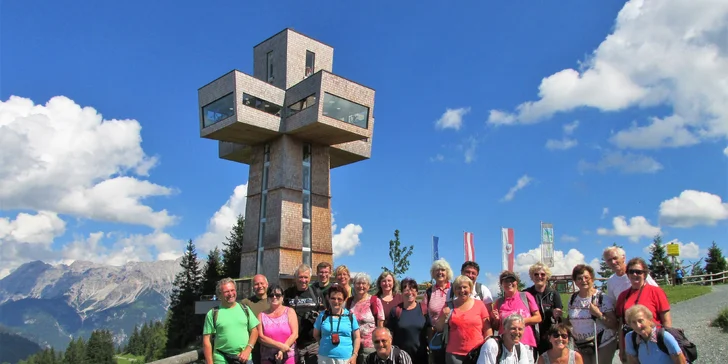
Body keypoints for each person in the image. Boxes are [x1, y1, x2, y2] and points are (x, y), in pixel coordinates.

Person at [615, 258, 671, 364]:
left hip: (654, 341)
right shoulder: (623, 296)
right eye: (631, 271)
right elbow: (621, 325)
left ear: (645, 274)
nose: (635, 274)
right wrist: (622, 349)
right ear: (627, 274)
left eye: (638, 272)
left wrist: (666, 344)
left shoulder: (656, 292)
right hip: (632, 344)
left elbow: (667, 322)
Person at [565, 265, 617, 364]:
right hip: (581, 343)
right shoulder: (572, 299)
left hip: (602, 342)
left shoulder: (602, 298)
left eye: (586, 277)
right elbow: (570, 320)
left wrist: (598, 314)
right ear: (575, 282)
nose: (583, 280)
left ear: (592, 279)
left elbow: (614, 324)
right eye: (579, 278)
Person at [436, 275, 492, 364]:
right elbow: (438, 327)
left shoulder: (480, 305)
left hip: (477, 353)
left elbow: (487, 328)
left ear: (470, 288)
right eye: (458, 288)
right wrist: (443, 316)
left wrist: (489, 346)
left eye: (465, 287)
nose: (462, 290)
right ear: (454, 291)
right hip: (454, 354)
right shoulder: (449, 306)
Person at [203, 278, 260, 364]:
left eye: (232, 290)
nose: (230, 294)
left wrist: (248, 349)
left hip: (244, 359)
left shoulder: (245, 309)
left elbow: (254, 331)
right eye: (226, 292)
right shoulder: (213, 313)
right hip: (221, 360)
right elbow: (206, 340)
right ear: (220, 295)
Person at [493, 271, 542, 359]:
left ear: (517, 282)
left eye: (512, 280)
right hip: (505, 345)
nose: (509, 283)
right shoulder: (498, 302)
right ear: (501, 284)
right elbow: (496, 327)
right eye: (505, 281)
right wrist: (496, 319)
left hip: (525, 342)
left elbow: (538, 318)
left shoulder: (526, 296)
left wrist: (518, 322)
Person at [284, 264, 326, 364]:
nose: (303, 280)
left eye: (306, 277)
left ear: (310, 278)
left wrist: (317, 317)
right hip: (293, 344)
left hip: (313, 343)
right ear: (295, 278)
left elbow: (325, 314)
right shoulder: (287, 293)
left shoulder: (317, 293)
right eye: (300, 277)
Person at [314, 284, 360, 364]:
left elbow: (357, 337)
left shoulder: (350, 316)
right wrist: (325, 344)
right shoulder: (323, 315)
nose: (336, 301)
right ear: (328, 298)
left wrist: (355, 355)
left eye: (339, 299)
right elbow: (316, 335)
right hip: (325, 358)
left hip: (345, 358)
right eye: (333, 298)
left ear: (344, 300)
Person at [524, 263, 563, 359]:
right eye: (536, 274)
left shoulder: (554, 294)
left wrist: (555, 314)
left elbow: (560, 318)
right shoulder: (525, 293)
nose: (539, 277)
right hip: (531, 335)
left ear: (547, 276)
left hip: (548, 335)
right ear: (532, 277)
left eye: (542, 274)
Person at [387, 277, 430, 363]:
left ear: (417, 292)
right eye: (406, 290)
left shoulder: (424, 310)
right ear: (402, 293)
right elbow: (389, 334)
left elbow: (429, 332)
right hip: (400, 358)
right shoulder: (396, 311)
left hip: (420, 357)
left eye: (413, 290)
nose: (410, 292)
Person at [347, 273, 385, 364]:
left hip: (370, 346)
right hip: (351, 346)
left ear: (368, 286)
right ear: (354, 285)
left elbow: (380, 325)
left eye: (364, 283)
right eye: (358, 283)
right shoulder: (349, 302)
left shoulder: (375, 301)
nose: (361, 286)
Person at [423, 259, 454, 364]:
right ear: (433, 273)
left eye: (443, 270)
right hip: (435, 336)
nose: (440, 272)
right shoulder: (429, 292)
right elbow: (424, 314)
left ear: (448, 272)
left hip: (453, 334)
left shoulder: (454, 289)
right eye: (437, 270)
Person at [258, 284, 298, 364]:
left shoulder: (290, 311)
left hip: (288, 355)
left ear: (282, 297)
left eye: (278, 295)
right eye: (271, 295)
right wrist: (280, 346)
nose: (274, 297)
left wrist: (282, 350)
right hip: (268, 357)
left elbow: (295, 334)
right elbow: (261, 338)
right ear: (268, 298)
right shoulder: (261, 315)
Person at [243, 274, 272, 364]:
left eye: (262, 283)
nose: (260, 286)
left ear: (267, 284)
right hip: (253, 349)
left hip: (271, 348)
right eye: (256, 284)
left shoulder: (274, 301)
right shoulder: (246, 303)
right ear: (252, 287)